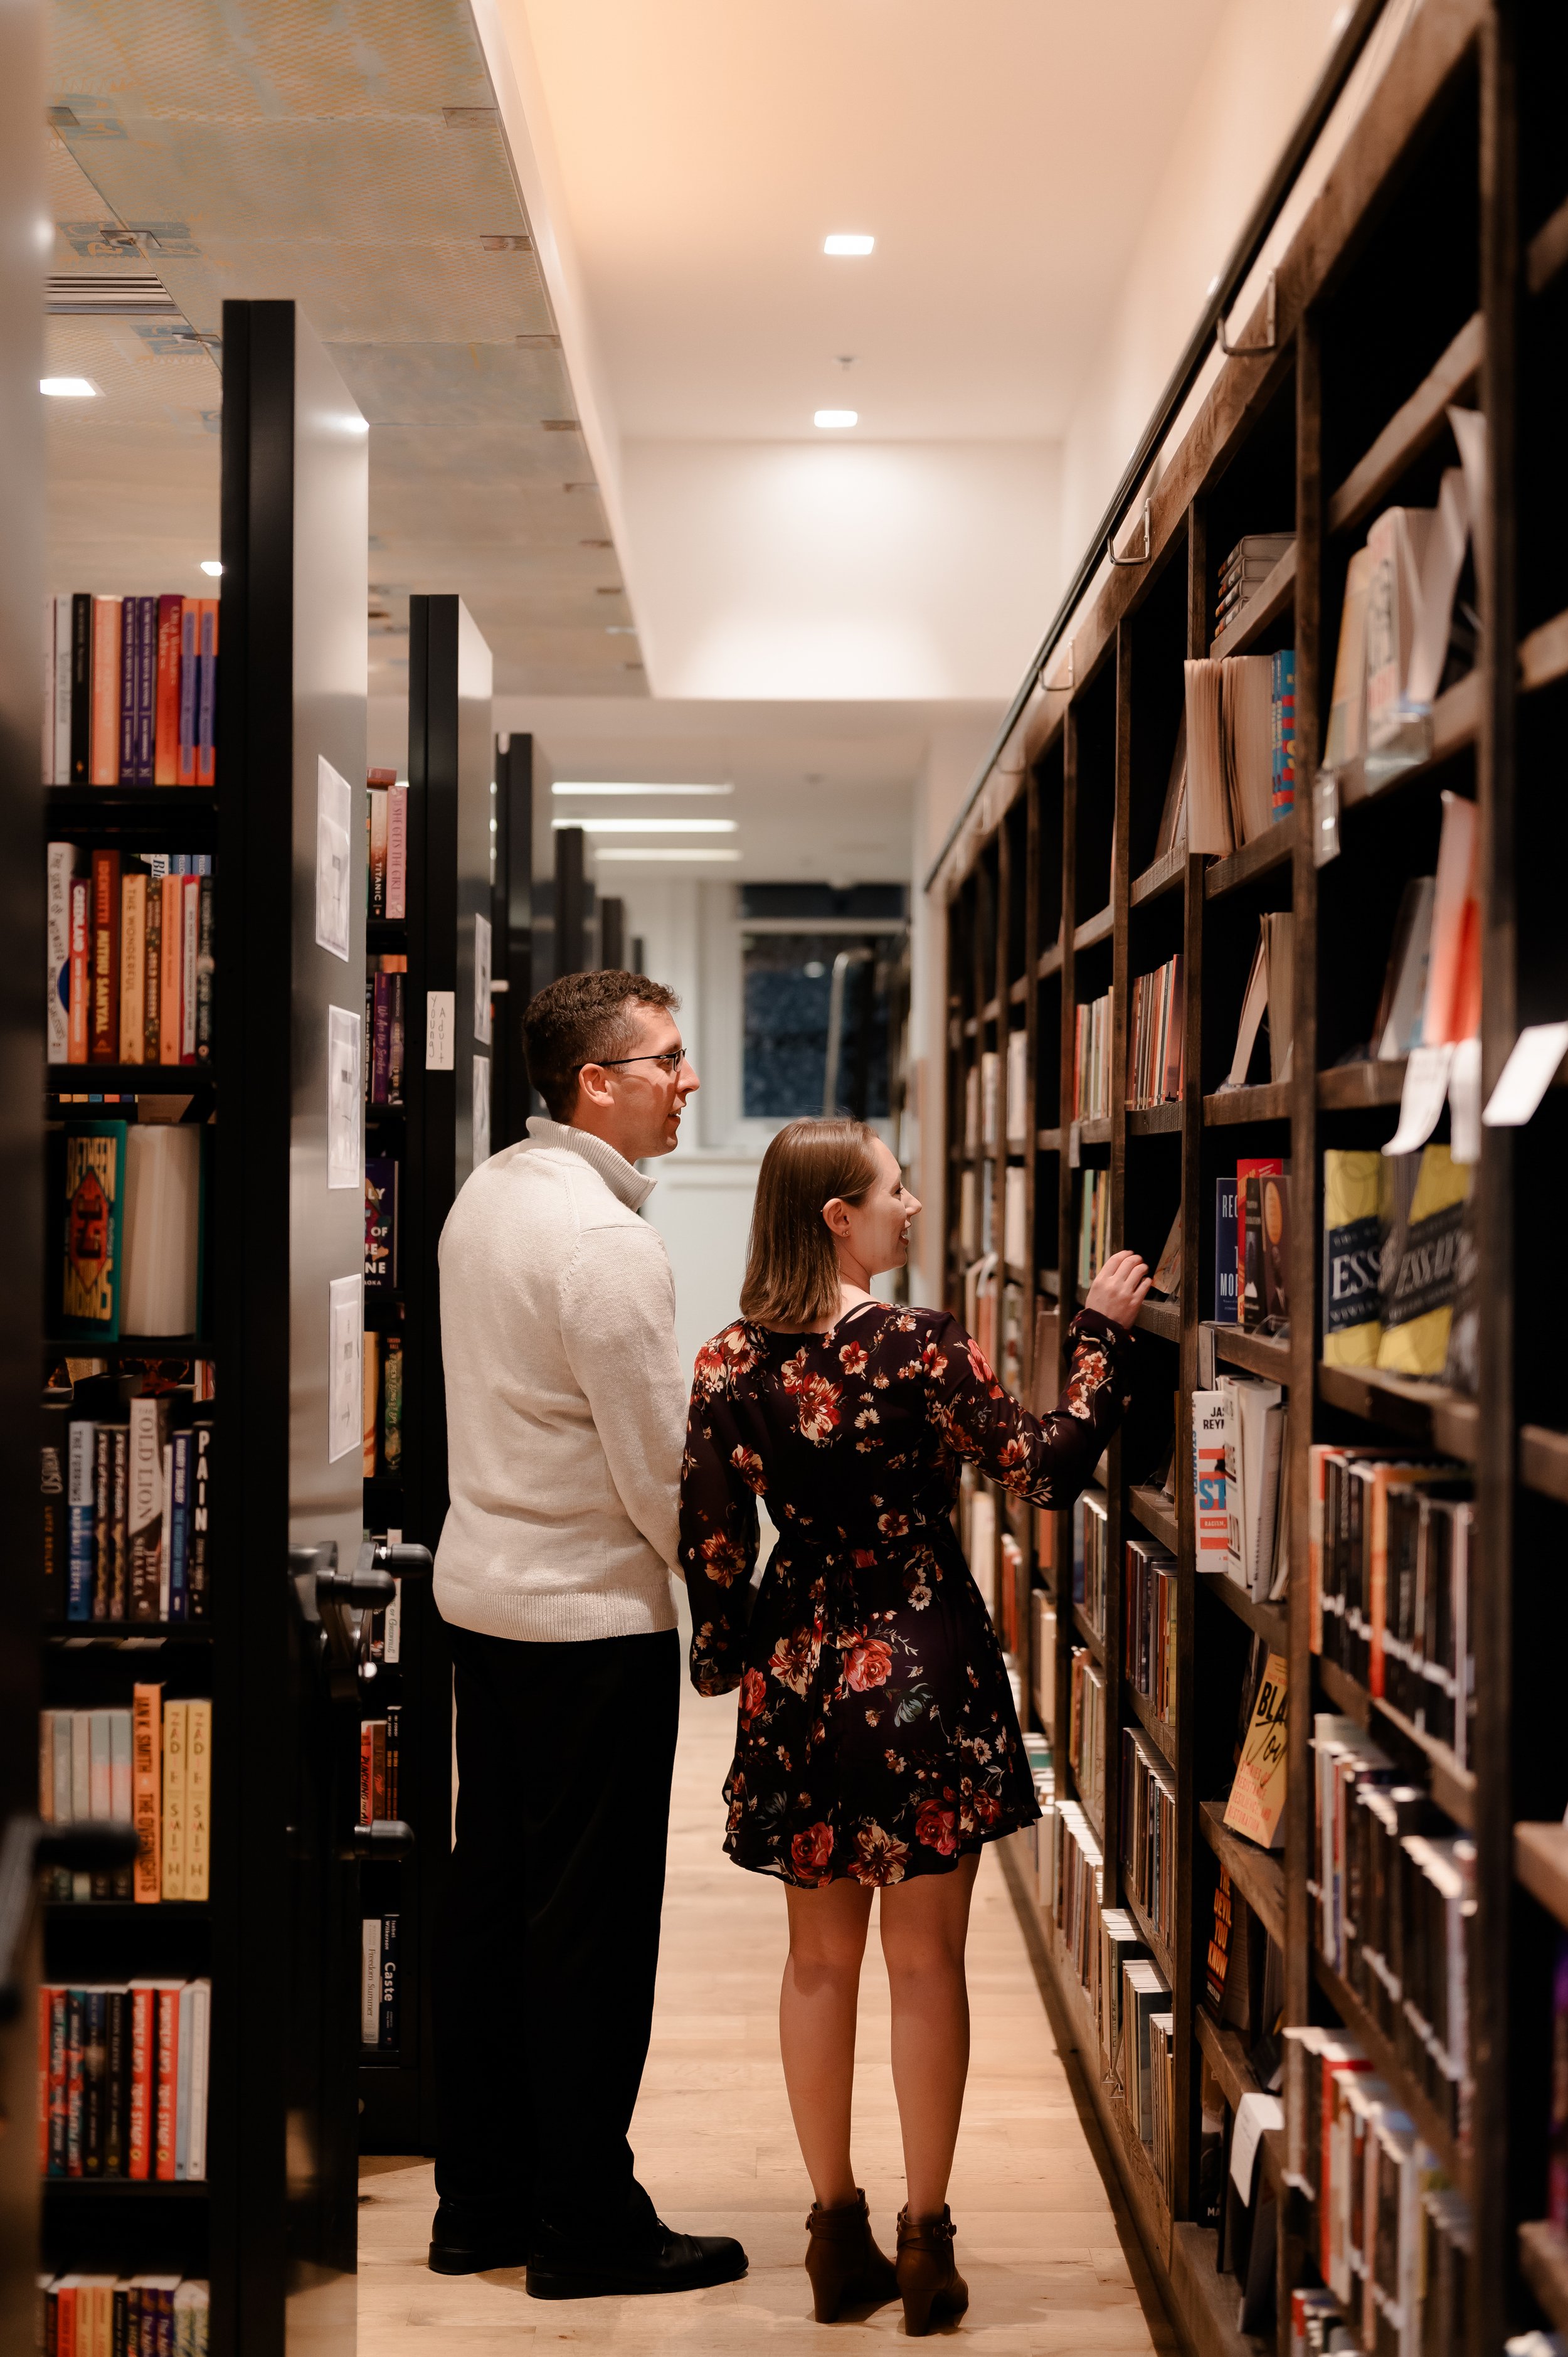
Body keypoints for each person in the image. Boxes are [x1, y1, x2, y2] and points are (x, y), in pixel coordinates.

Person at [678, 1117, 1146, 2336]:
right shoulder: (920, 1348)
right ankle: (926, 2242)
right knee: (925, 1963)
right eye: (896, 1188)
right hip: (923, 1667)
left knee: (815, 1964)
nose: (915, 1206)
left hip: (802, 1670)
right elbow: (1040, 1466)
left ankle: (833, 2230)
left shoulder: (729, 1361)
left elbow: (714, 1538)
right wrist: (1098, 1339)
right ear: (838, 1215)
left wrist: (722, 1658)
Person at [428, 968, 747, 2301]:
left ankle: (482, 2201)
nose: (687, 1082)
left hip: (486, 1605)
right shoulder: (606, 1242)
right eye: (664, 1061)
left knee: (496, 1914)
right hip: (584, 1625)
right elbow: (657, 1465)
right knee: (591, 1937)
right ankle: (586, 2225)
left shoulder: (486, 1196)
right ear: (592, 1084)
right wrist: (731, 1590)